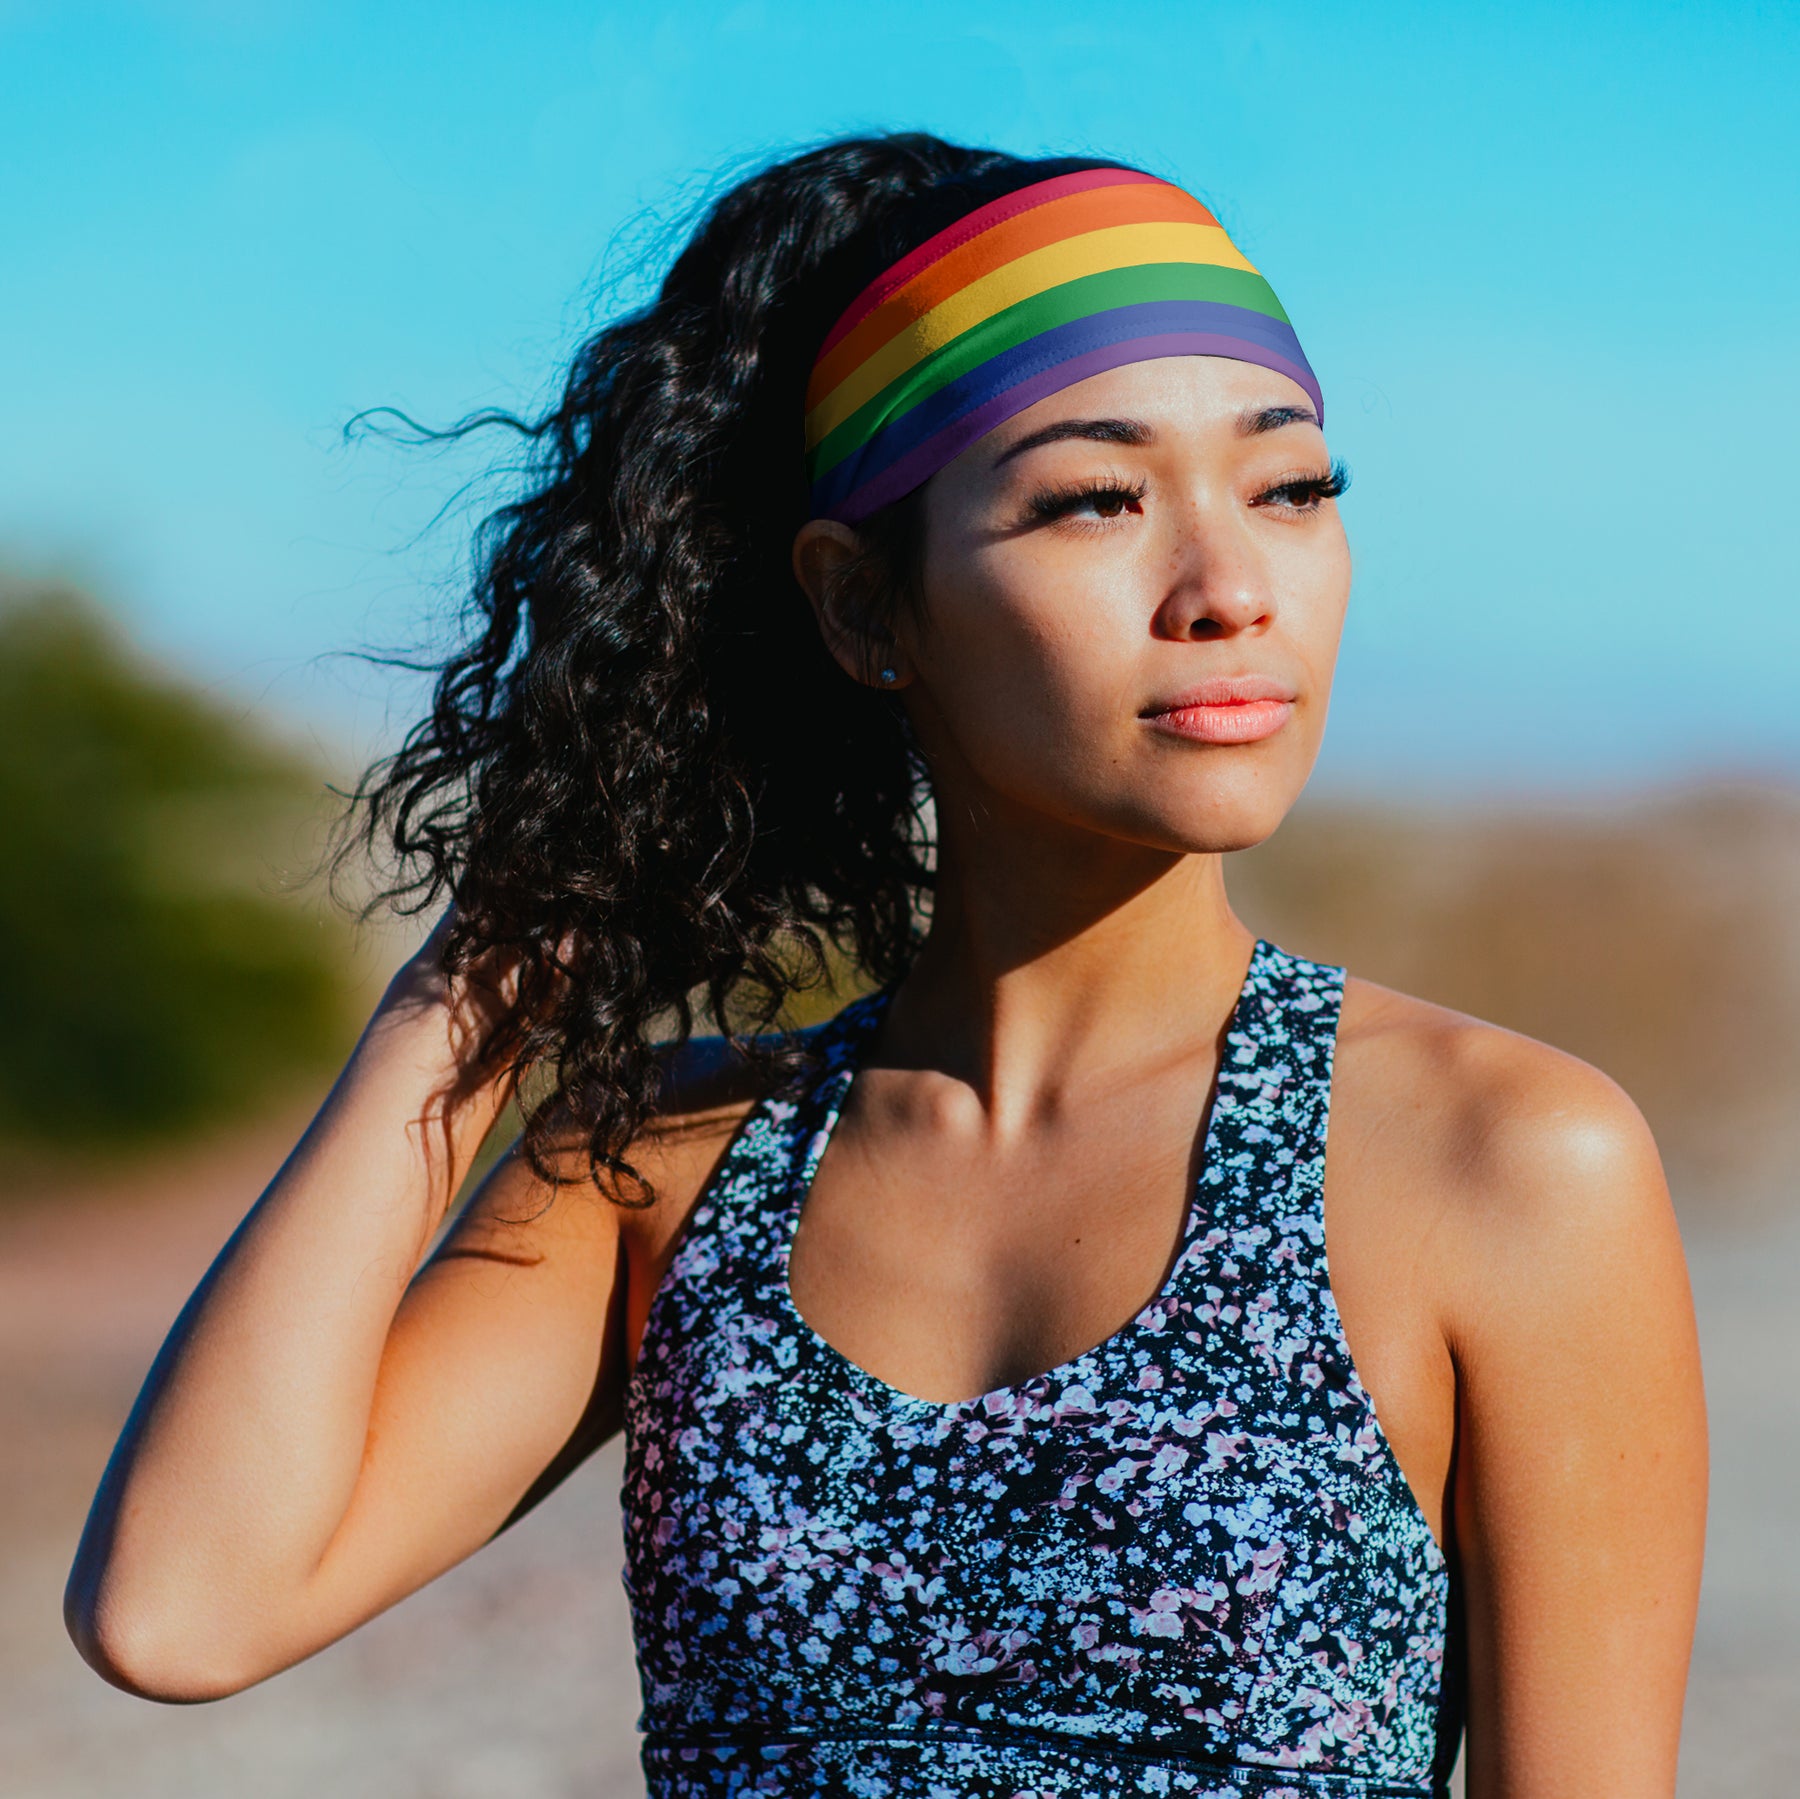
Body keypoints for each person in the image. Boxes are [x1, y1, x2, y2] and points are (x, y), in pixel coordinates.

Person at [65, 135, 1707, 1797]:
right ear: (863, 608)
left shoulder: (1500, 1161)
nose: (1229, 589)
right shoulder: (666, 1175)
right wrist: (493, 970)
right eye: (1096, 500)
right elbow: (182, 1610)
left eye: (1292, 489)